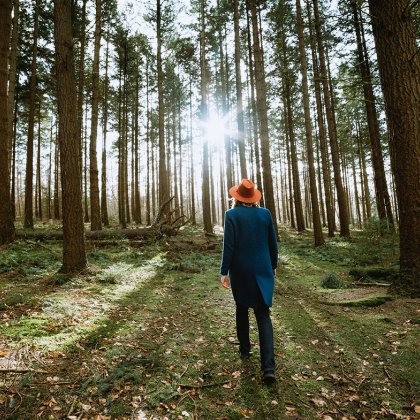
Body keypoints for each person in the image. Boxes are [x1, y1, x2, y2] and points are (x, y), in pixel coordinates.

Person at [220, 179, 278, 385]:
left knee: (241, 307)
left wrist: (224, 271)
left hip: (241, 271)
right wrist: (273, 266)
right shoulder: (265, 214)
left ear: (237, 197)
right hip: (263, 270)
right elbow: (273, 243)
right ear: (253, 198)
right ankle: (268, 369)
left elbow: (229, 246)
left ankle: (245, 349)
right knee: (263, 315)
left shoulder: (231, 215)